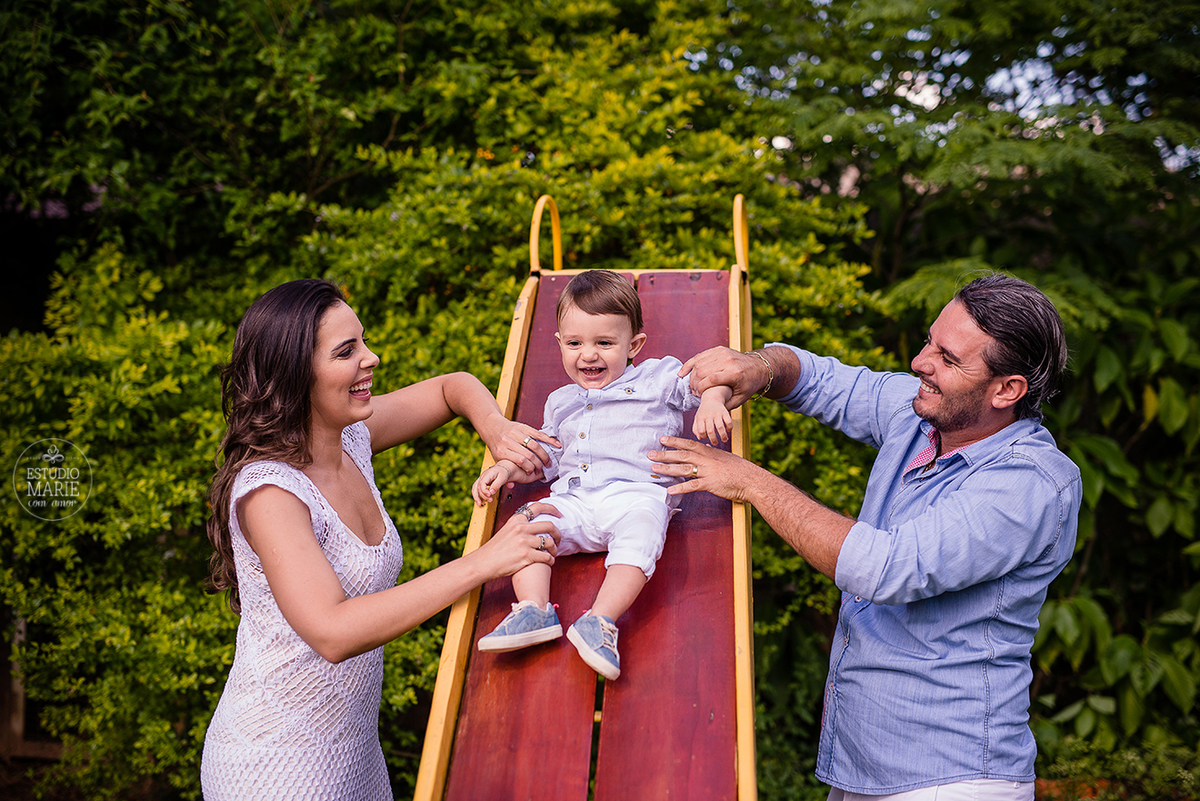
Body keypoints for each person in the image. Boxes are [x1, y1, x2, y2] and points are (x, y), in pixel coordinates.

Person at [651, 274, 1081, 800]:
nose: (922, 362)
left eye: (949, 359)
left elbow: (886, 568)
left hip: (954, 778)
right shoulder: (923, 416)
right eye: (930, 341)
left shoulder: (1030, 482)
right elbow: (817, 379)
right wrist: (758, 368)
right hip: (865, 767)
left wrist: (749, 481)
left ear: (1007, 390)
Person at [200, 279, 562, 801]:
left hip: (352, 751)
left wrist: (495, 427)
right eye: (347, 351)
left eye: (362, 341)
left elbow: (451, 387)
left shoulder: (349, 437)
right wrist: (484, 562)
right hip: (273, 764)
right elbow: (333, 632)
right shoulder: (271, 492)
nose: (371, 358)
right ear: (295, 372)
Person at [470, 269, 733, 680]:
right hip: (575, 500)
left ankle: (600, 620)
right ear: (559, 343)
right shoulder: (560, 402)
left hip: (636, 495)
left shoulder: (656, 378)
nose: (588, 355)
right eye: (574, 343)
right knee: (528, 523)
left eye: (604, 343)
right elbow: (547, 456)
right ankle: (534, 610)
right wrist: (506, 468)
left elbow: (707, 379)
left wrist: (713, 402)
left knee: (644, 528)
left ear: (634, 346)